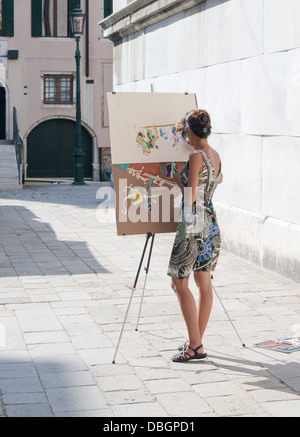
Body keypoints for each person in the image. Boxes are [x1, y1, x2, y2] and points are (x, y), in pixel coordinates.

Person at [167, 109, 223, 362]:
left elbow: (190, 197)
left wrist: (176, 181)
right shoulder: (215, 155)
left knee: (179, 284)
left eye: (183, 132)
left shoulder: (195, 156)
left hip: (193, 222)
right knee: (204, 283)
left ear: (190, 132)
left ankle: (195, 347)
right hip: (210, 221)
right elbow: (219, 179)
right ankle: (196, 342)